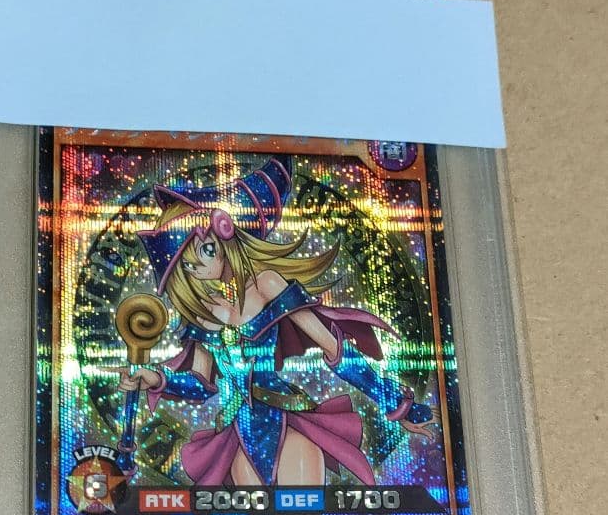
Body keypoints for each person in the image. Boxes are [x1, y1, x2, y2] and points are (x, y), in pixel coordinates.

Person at [117, 156, 438, 486]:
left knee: (303, 508)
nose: (196, 268)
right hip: (239, 433)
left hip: (286, 417)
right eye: (185, 264)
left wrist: (396, 403)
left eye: (203, 251)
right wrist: (155, 378)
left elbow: (335, 350)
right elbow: (201, 385)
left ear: (224, 235)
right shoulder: (203, 314)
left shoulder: (267, 285)